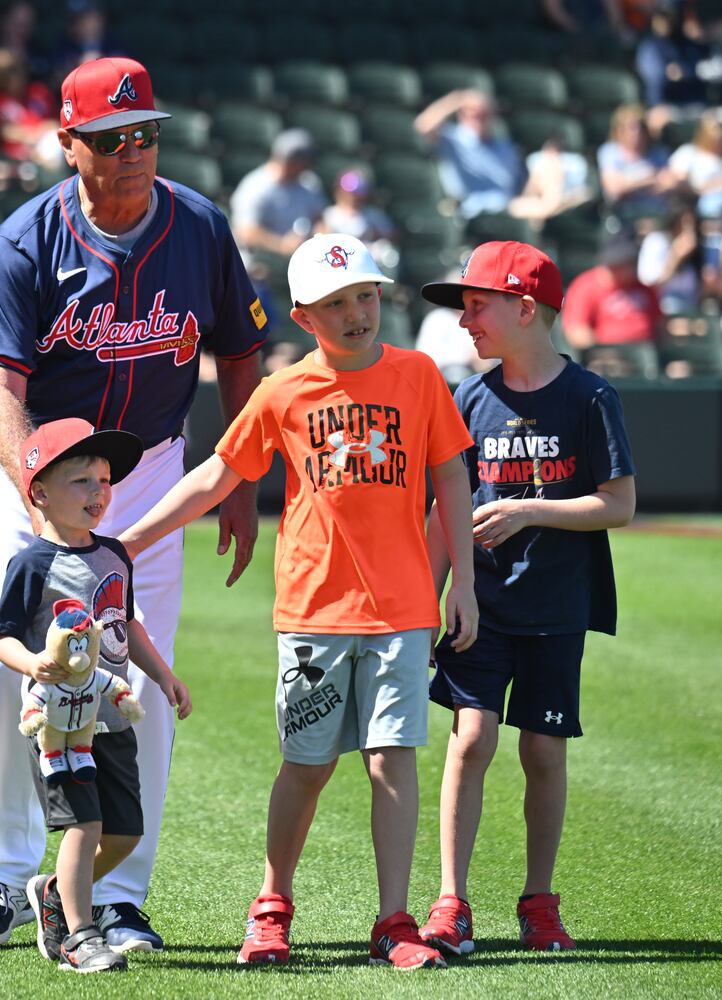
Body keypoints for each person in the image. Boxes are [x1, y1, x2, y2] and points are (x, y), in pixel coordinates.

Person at [0, 56, 265, 951]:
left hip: (152, 477)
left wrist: (237, 478)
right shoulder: (24, 241)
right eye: (111, 139)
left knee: (138, 683)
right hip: (41, 475)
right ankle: (6, 879)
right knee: (6, 665)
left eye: (145, 135)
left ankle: (119, 893)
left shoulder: (198, 228)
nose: (133, 152)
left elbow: (240, 353)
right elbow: (1, 388)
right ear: (68, 144)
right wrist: (39, 499)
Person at [119, 233, 478, 970]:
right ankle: (272, 903)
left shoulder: (418, 377)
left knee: (391, 760)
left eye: (366, 297)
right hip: (314, 611)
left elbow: (450, 482)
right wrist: (125, 541)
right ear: (304, 315)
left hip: (404, 610)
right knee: (306, 765)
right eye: (338, 303)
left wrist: (463, 582)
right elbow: (216, 477)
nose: (357, 314)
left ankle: (394, 920)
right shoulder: (281, 391)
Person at [413, 241, 636, 956]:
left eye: (476, 306)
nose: (464, 321)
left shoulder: (589, 397)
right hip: (479, 606)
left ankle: (539, 902)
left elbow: (617, 504)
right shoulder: (466, 398)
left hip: (556, 607)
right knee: (471, 739)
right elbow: (443, 513)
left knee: (542, 751)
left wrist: (531, 509)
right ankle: (451, 900)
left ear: (525, 309)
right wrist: (429, 598)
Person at [0, 418, 191, 973]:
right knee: (83, 825)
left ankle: (55, 890)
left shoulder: (114, 554)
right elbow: (1, 635)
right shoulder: (32, 562)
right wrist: (34, 664)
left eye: (104, 481)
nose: (98, 493)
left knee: (124, 833)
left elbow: (128, 624)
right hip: (59, 727)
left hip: (111, 720)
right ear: (41, 494)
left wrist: (163, 673)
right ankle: (79, 936)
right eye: (81, 481)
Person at [414, 89, 523, 219]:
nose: (479, 120)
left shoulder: (505, 146)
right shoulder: (452, 139)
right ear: (461, 115)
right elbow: (422, 126)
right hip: (470, 210)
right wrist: (456, 100)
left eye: (484, 115)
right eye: (473, 114)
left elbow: (514, 186)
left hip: (507, 208)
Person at [230, 129, 328, 261]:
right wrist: (282, 245)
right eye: (301, 159)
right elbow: (246, 232)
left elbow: (319, 219)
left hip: (301, 259)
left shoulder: (309, 182)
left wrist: (318, 240)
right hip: (260, 262)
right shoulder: (255, 186)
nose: (306, 164)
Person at [561, 235, 664, 348]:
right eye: (624, 264)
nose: (630, 269)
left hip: (647, 354)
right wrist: (600, 350)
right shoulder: (586, 286)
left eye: (631, 263)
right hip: (608, 357)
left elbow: (661, 325)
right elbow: (577, 332)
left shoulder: (643, 289)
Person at [596, 104, 675, 220]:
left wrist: (630, 184)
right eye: (631, 128)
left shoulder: (658, 152)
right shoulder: (609, 152)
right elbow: (615, 188)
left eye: (640, 128)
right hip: (624, 216)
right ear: (619, 130)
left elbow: (669, 183)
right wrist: (650, 179)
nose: (636, 133)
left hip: (657, 213)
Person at [508, 133, 594, 227]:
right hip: (538, 201)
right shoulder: (537, 162)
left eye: (555, 150)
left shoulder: (574, 165)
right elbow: (530, 190)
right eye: (548, 148)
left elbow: (579, 194)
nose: (551, 153)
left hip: (564, 201)